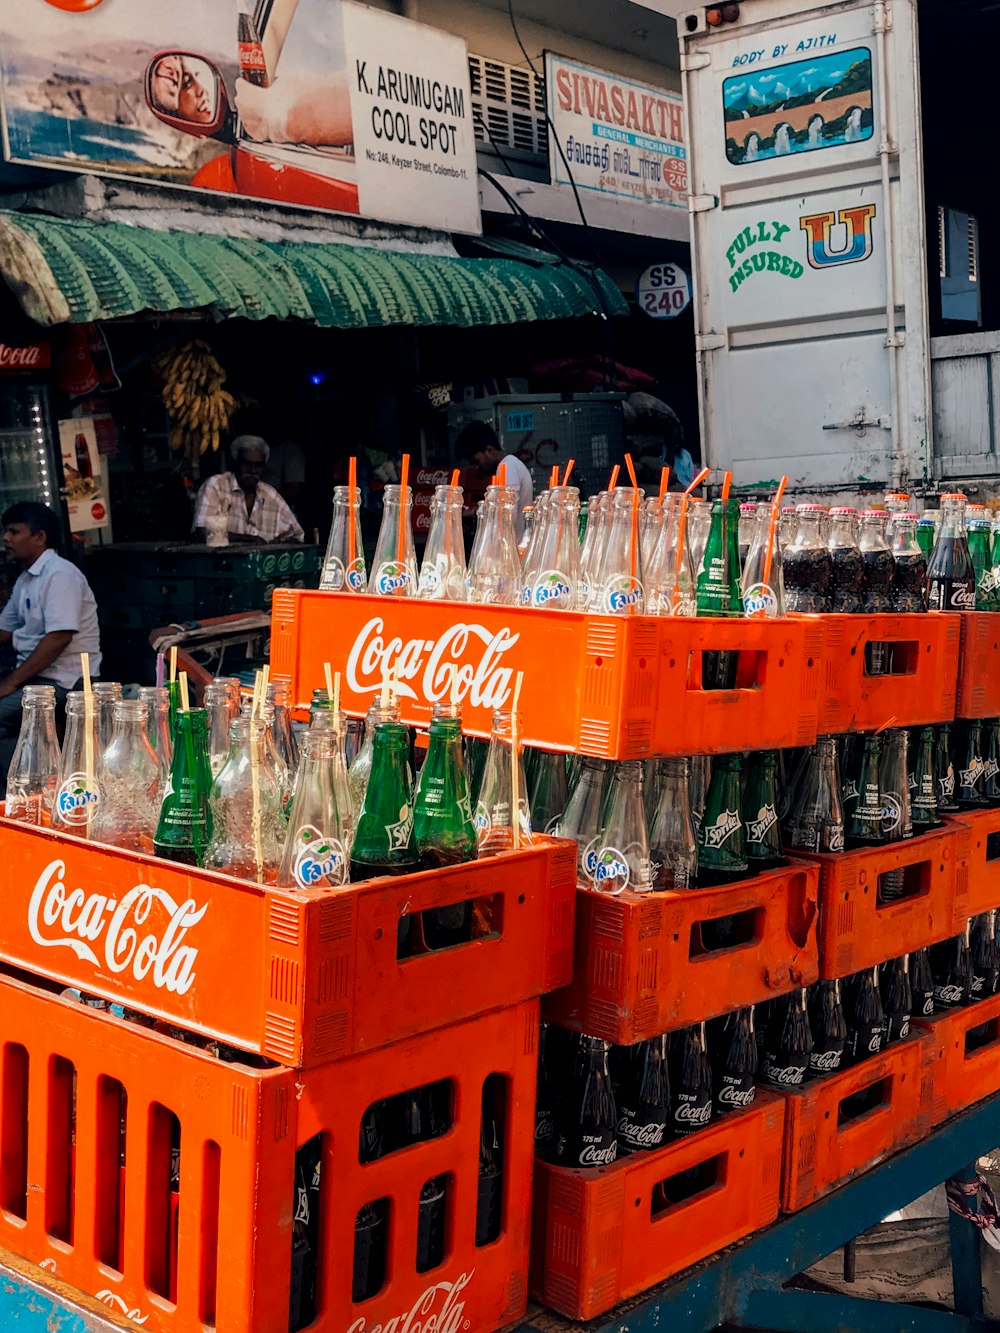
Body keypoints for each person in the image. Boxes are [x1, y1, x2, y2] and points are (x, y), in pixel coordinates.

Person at [0, 502, 101, 792]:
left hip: (67, 681)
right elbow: (4, 631)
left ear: (40, 537)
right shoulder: (26, 579)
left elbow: (59, 638)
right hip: (37, 680)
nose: (6, 539)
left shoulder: (60, 575)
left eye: (14, 531)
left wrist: (10, 683)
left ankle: (30, 792)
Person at [193, 435, 305, 544]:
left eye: (258, 465)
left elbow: (298, 536)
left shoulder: (271, 495)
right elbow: (203, 532)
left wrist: (281, 544)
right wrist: (249, 539)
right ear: (236, 464)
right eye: (246, 464)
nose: (252, 470)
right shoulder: (216, 486)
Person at [457, 421, 533, 540]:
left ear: (489, 450)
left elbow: (507, 518)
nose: (477, 468)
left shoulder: (507, 468)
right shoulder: (509, 465)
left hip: (511, 552)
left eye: (477, 461)